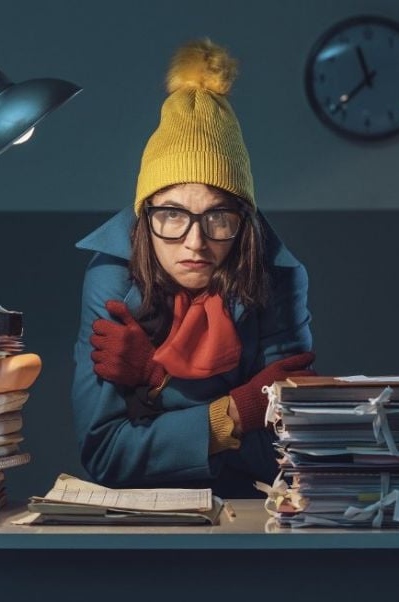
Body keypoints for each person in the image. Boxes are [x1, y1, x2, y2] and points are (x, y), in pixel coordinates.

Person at [71, 39, 316, 498]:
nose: (195, 241)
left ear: (244, 222)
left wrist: (155, 382)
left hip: (255, 515)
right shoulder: (111, 279)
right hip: (138, 518)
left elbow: (288, 456)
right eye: (172, 214)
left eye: (218, 217)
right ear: (145, 215)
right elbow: (104, 453)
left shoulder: (279, 278)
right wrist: (239, 412)